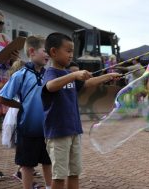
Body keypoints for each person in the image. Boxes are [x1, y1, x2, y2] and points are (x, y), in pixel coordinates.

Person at [41, 32, 120, 189]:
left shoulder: (67, 74)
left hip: (74, 130)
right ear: (53, 52)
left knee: (74, 172)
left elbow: (87, 84)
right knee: (59, 175)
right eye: (68, 51)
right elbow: (50, 86)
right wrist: (74, 74)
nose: (71, 55)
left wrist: (107, 76)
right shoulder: (51, 73)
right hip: (58, 133)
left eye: (72, 51)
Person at [0, 35, 52, 189]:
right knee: (27, 165)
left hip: (47, 129)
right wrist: (20, 106)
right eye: (45, 50)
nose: (48, 54)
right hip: (27, 128)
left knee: (48, 161)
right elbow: (2, 98)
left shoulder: (49, 75)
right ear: (32, 51)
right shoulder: (20, 75)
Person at [0, 6, 19, 179]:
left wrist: (14, 58)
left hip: (5, 86)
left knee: (16, 123)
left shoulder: (4, 38)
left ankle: (23, 165)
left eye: (1, 22)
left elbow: (13, 66)